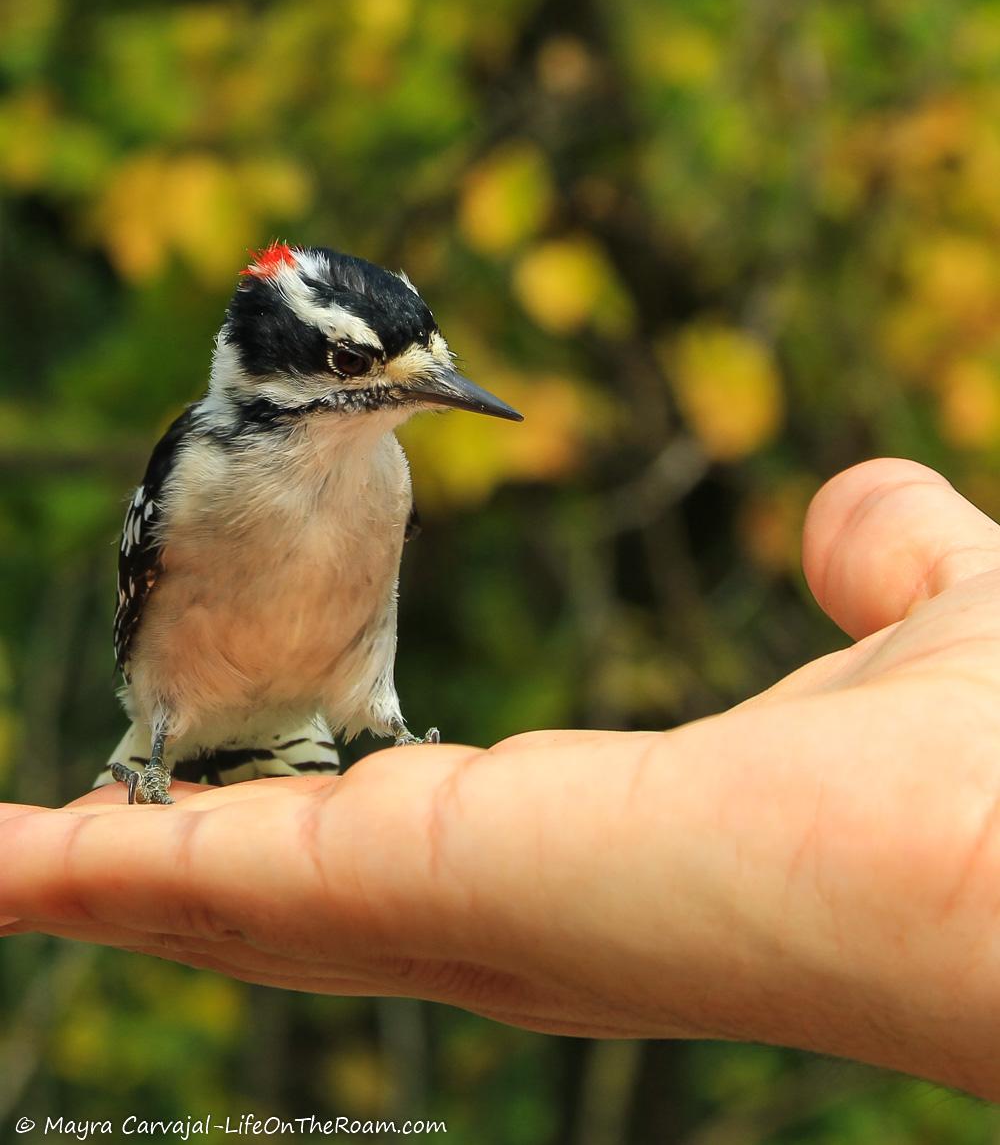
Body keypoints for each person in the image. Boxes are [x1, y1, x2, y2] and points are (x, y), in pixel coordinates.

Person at [3, 458, 1000, 1101]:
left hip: (330, 697)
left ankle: (377, 727)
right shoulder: (199, 472)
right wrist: (159, 747)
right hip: (177, 708)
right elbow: (143, 612)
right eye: (357, 367)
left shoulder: (386, 474)